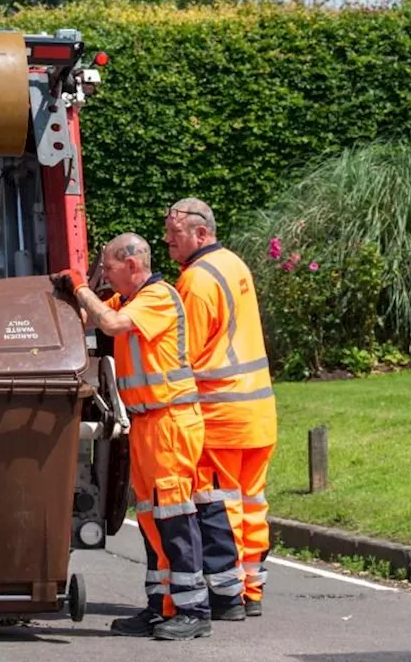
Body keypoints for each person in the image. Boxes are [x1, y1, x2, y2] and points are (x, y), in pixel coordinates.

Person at [53, 233, 211, 641]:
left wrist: (82, 286)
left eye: (109, 268)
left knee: (174, 516)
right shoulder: (130, 299)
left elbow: (109, 324)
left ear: (133, 266)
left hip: (170, 422)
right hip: (147, 423)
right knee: (151, 518)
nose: (105, 276)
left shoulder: (158, 297)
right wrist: (72, 290)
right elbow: (89, 318)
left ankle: (194, 609)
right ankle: (162, 605)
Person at [163, 197, 278, 620]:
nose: (167, 243)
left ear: (201, 233)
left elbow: (183, 353)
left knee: (220, 505)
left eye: (174, 236)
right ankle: (252, 589)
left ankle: (226, 596)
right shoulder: (235, 264)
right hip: (258, 410)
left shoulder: (196, 281)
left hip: (220, 414)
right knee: (252, 504)